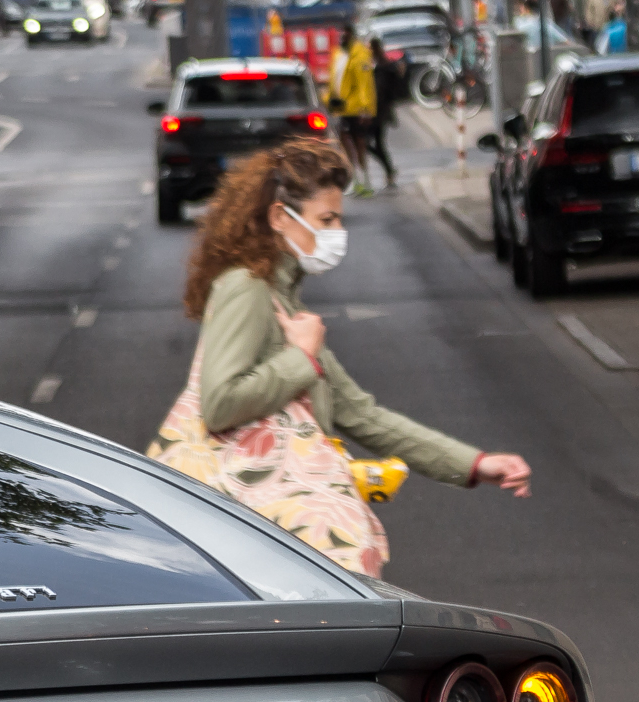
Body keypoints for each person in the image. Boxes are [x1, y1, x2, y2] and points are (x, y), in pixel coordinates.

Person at [148, 140, 531, 578]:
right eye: (325, 220)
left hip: (272, 534)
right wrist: (300, 357)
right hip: (257, 534)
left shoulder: (283, 298)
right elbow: (218, 405)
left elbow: (361, 414)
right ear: (279, 217)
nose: (336, 234)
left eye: (338, 220)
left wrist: (475, 464)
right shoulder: (247, 288)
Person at [329, 24, 377, 196]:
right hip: (342, 108)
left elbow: (365, 84)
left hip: (356, 108)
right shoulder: (340, 54)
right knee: (344, 144)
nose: (342, 36)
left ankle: (366, 180)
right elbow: (336, 82)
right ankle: (355, 178)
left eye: (346, 33)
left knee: (359, 144)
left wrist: (366, 108)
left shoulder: (360, 55)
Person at [365, 42, 403, 189]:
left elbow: (382, 92)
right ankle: (389, 170)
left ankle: (390, 170)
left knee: (371, 143)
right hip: (379, 112)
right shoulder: (382, 66)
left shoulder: (382, 67)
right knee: (374, 144)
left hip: (379, 113)